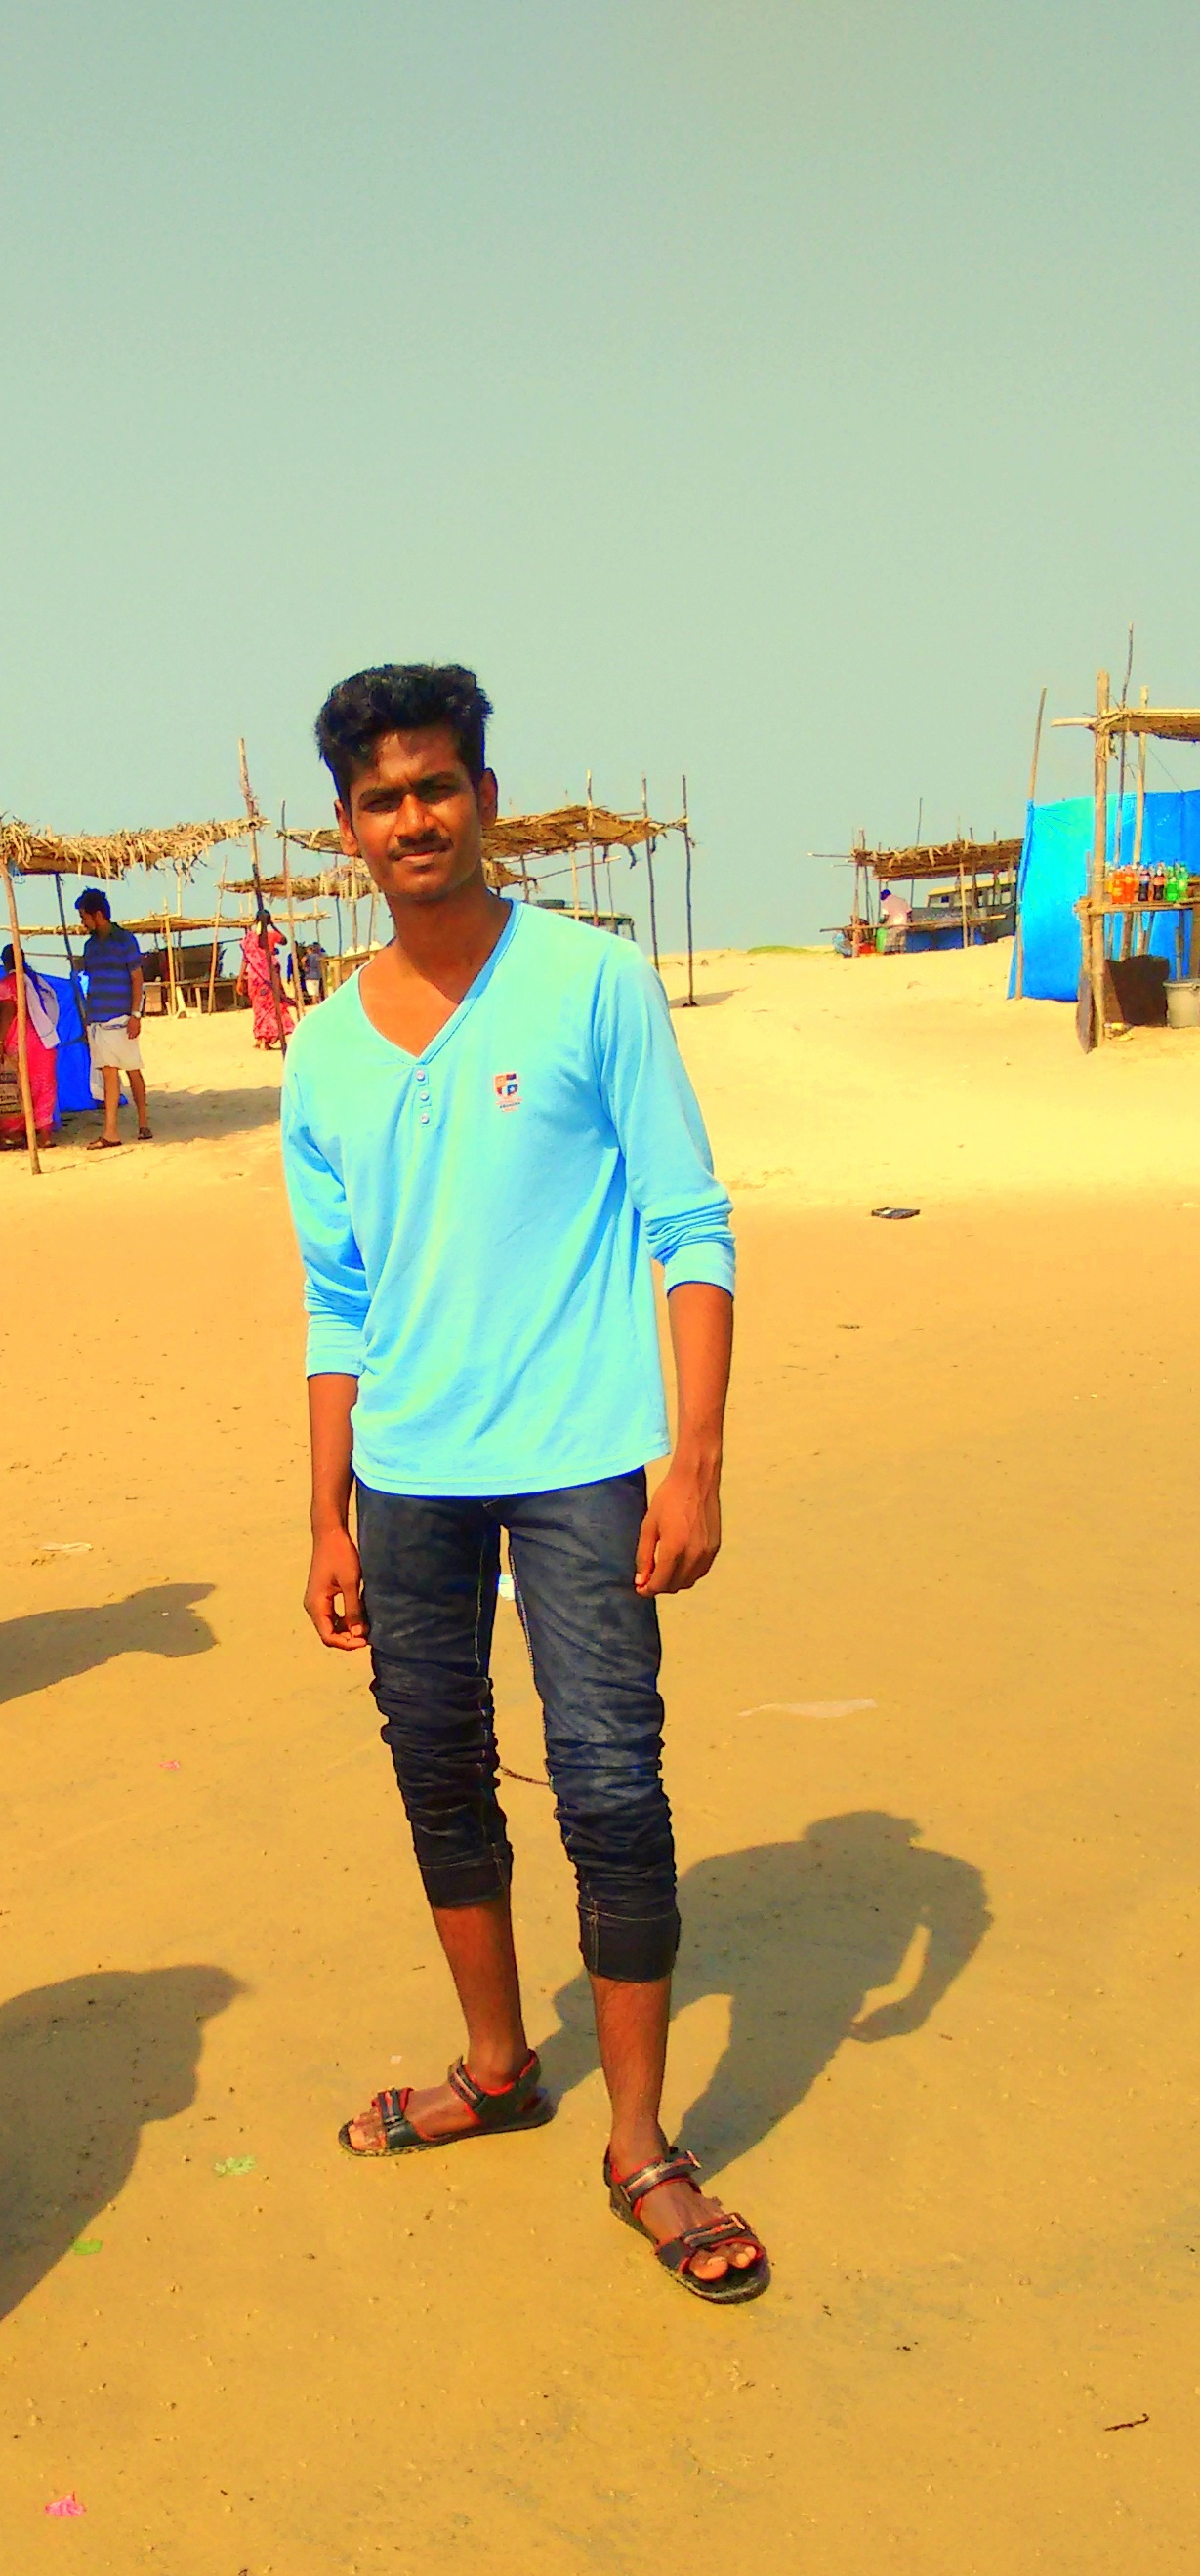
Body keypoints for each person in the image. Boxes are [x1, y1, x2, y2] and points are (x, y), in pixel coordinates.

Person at [280, 662, 767, 2303]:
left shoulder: (588, 982)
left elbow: (688, 1224)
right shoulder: (323, 1051)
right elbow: (337, 1299)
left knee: (612, 1786)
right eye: (381, 797)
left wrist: (692, 1459)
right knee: (438, 1773)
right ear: (348, 825)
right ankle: (497, 2066)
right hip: (407, 1480)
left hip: (580, 1464)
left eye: (437, 785)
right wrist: (323, 1510)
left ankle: (639, 2143)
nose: (412, 817)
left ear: (484, 797)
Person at [74, 889, 151, 1147]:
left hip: (120, 1017)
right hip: (98, 1017)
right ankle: (111, 1131)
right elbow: (90, 980)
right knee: (109, 1072)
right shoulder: (90, 947)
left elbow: (137, 978)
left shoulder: (125, 941)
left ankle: (142, 1122)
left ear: (97, 914)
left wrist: (135, 1014)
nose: (83, 922)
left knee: (132, 1070)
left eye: (84, 916)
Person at [0, 946, 60, 1147]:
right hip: (43, 1042)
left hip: (20, 1042)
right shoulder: (36, 982)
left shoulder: (8, 985)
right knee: (43, 1088)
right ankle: (45, 1136)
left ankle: (15, 1133)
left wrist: (0, 1042)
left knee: (15, 1087)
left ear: (5, 962)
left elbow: (7, 1013)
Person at [237, 916, 296, 1050]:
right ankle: (266, 1039)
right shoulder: (272, 935)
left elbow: (245, 959)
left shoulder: (249, 939)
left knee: (258, 1007)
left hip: (255, 977)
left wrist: (240, 979)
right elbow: (284, 940)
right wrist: (273, 925)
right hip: (269, 976)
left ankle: (260, 1038)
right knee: (272, 1006)